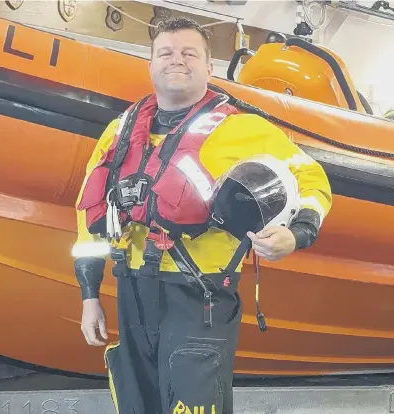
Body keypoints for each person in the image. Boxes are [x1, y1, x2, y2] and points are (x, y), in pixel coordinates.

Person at [72, 17, 332, 414]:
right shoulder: (119, 132)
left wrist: (297, 233)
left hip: (199, 297)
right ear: (151, 64)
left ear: (209, 67)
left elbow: (311, 179)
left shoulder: (244, 129)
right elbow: (88, 217)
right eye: (167, 52)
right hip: (132, 293)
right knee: (136, 402)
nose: (177, 60)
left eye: (189, 53)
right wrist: (90, 296)